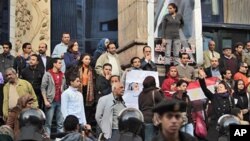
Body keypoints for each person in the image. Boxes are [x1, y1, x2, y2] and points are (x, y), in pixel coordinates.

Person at [198, 69, 234, 141]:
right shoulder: (213, 96)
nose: (218, 88)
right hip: (215, 125)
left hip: (226, 125)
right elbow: (204, 89)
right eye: (218, 87)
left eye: (221, 87)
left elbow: (232, 111)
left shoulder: (230, 99)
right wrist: (201, 79)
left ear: (226, 89)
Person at [41, 58, 66, 136]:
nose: (61, 65)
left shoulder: (62, 74)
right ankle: (47, 138)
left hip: (61, 101)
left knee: (60, 123)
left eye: (61, 63)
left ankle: (60, 138)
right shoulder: (48, 74)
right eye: (59, 63)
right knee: (48, 122)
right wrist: (45, 100)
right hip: (51, 100)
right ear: (54, 64)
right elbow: (43, 88)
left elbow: (64, 87)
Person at [138, 76, 164, 141]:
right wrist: (162, 92)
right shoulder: (155, 92)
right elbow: (164, 104)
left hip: (142, 119)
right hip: (152, 119)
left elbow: (140, 107)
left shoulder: (141, 94)